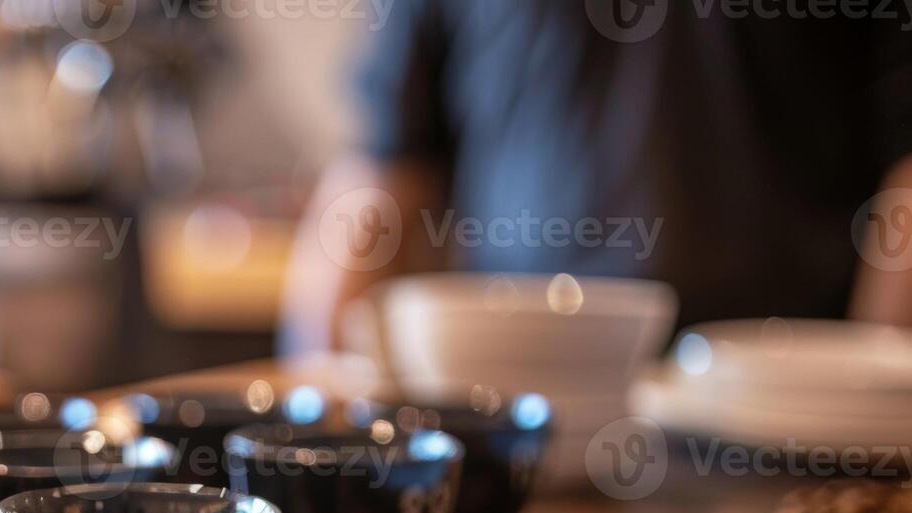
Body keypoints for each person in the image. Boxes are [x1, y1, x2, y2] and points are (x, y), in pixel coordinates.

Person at [279, 1, 912, 353]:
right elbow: (384, 168)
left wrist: (861, 420)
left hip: (773, 415)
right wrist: (323, 408)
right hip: (515, 403)